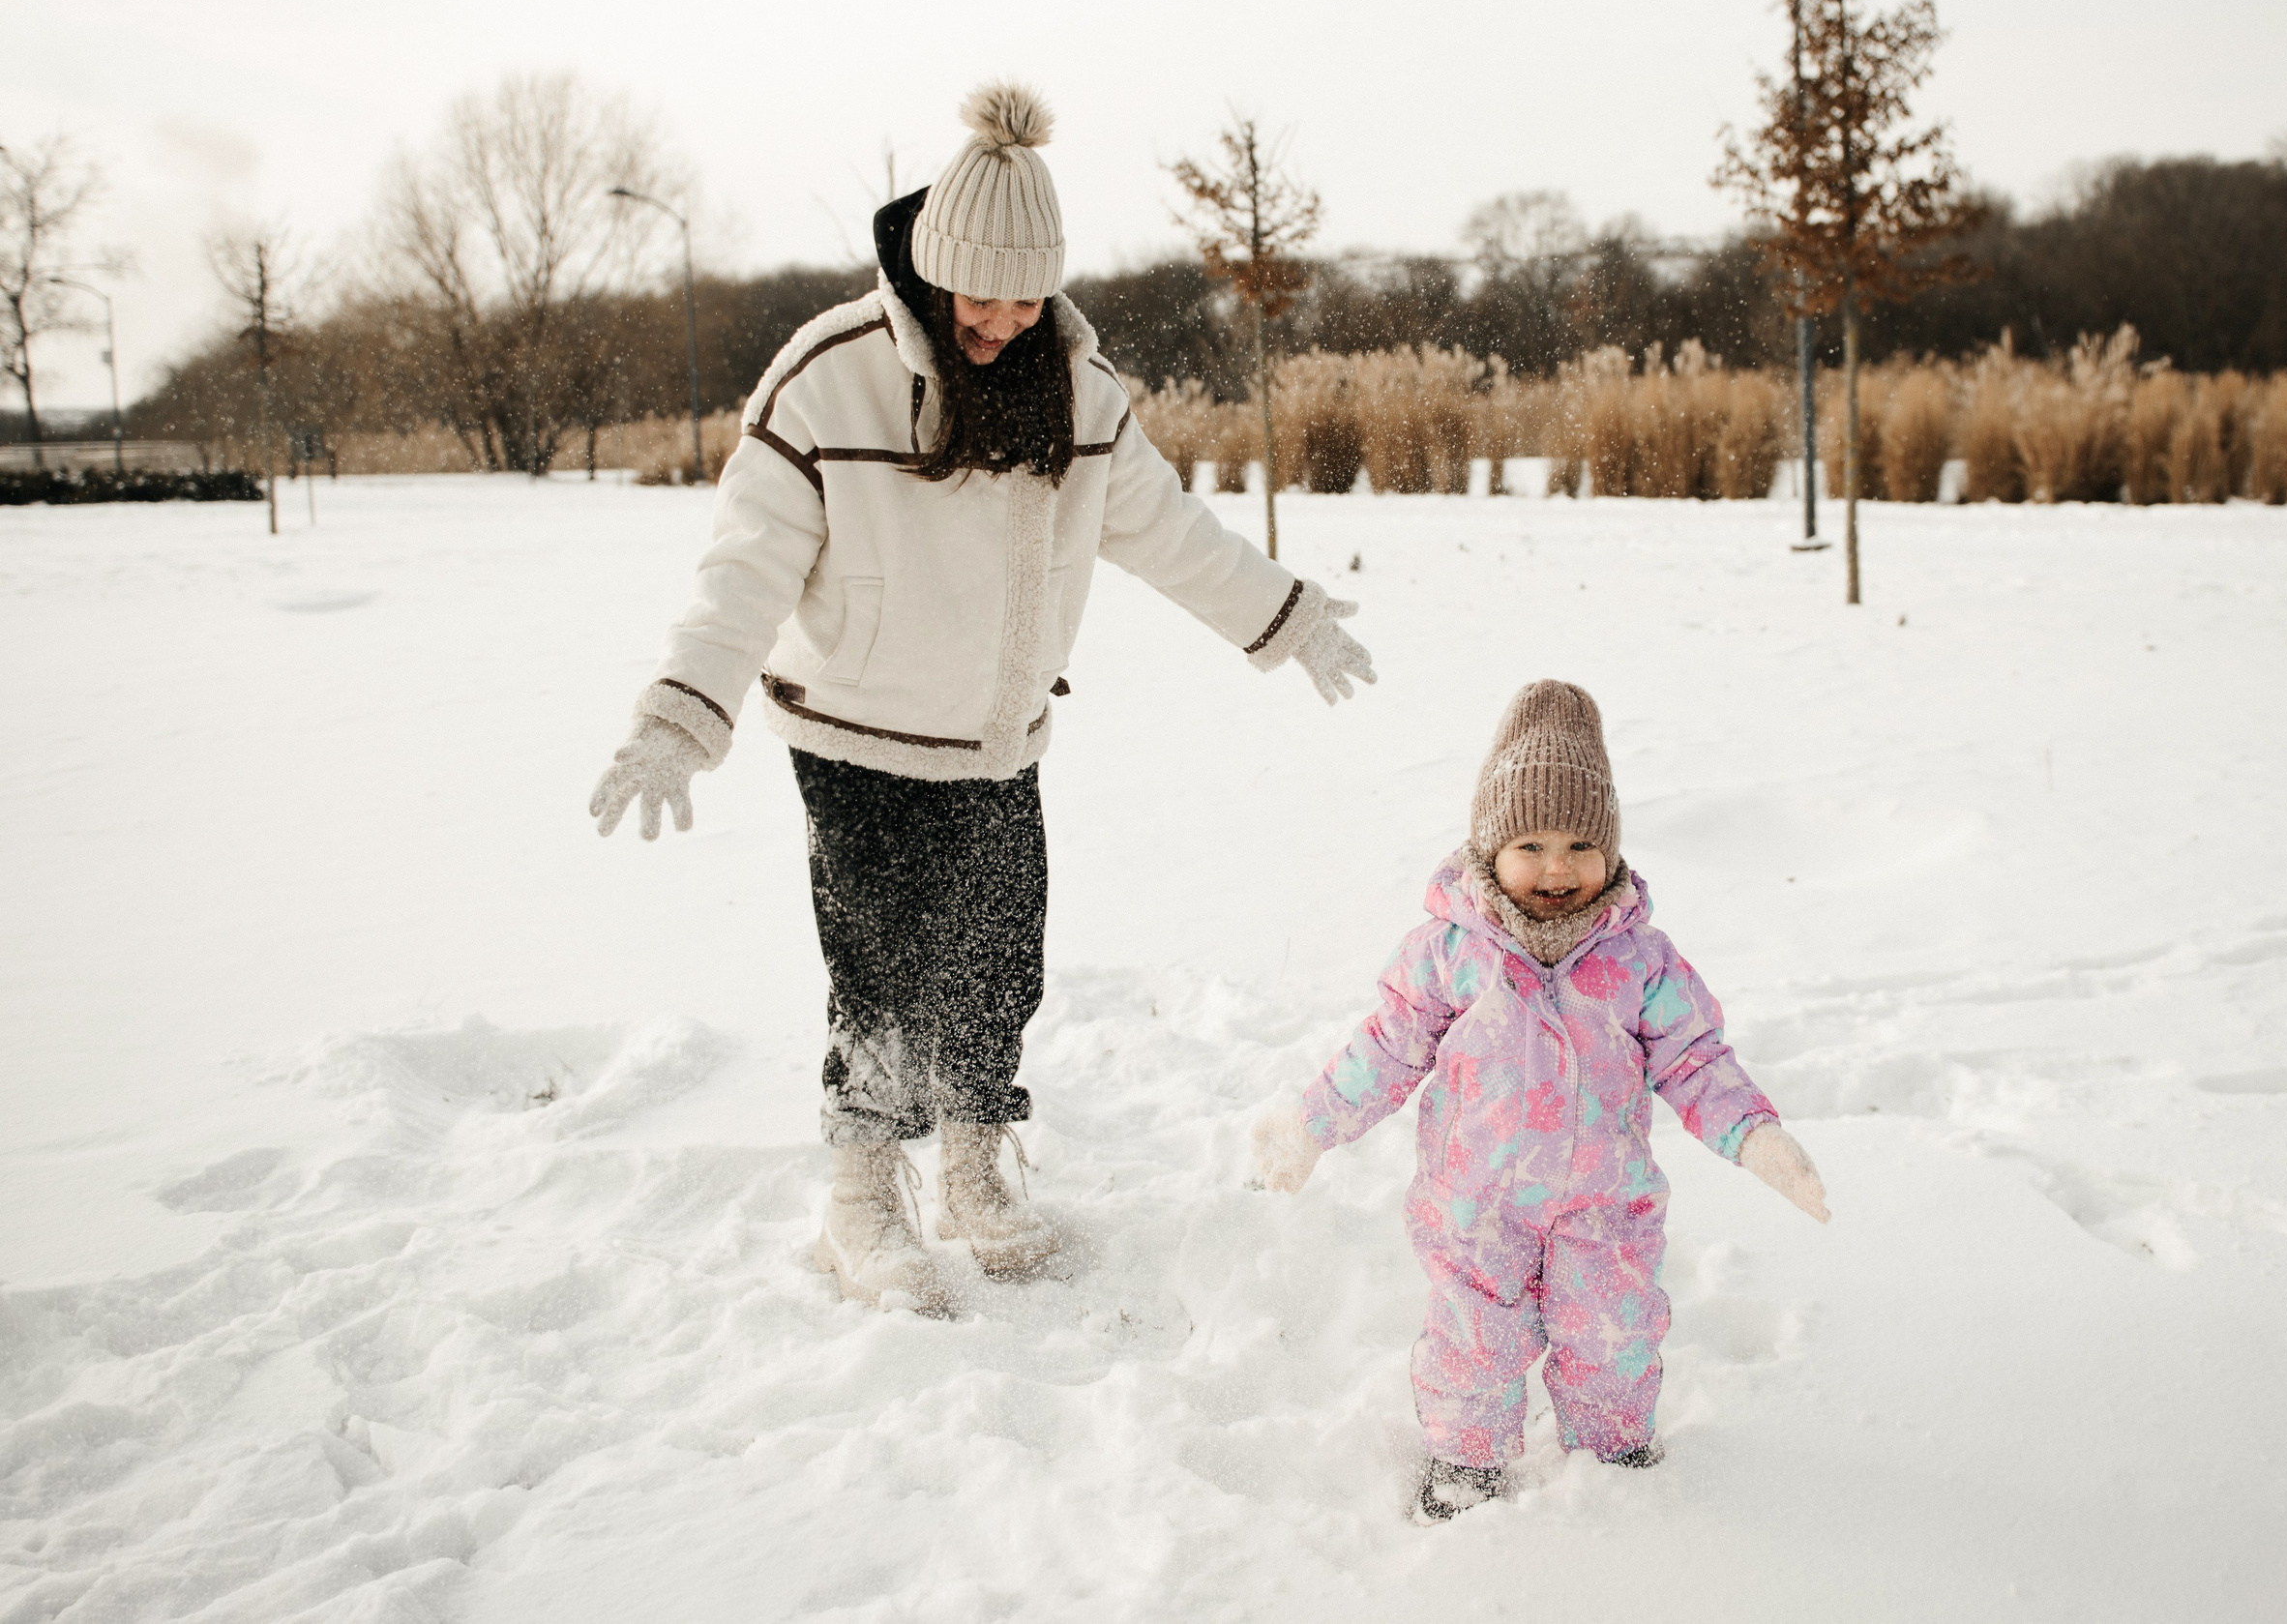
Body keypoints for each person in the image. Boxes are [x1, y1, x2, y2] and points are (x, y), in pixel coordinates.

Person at [590, 81, 1375, 1314]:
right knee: (881, 973)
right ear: (934, 264)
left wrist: (1282, 615)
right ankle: (860, 1197)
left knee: (998, 966)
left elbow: (1165, 529)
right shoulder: (827, 376)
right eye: (983, 294)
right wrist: (682, 713)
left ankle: (970, 1171)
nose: (1004, 320)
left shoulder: (1073, 383)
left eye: (1027, 295)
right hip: (854, 729)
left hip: (998, 737)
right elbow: (744, 565)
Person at [1250, 681, 1827, 1522]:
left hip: (1606, 1204)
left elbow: (1696, 1059)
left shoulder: (1641, 961)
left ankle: (1615, 1452)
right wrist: (1311, 1126)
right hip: (1475, 1205)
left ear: (1611, 851)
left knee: (1614, 1332)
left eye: (1578, 843)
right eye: (1530, 842)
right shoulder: (1448, 954)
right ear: (1490, 849)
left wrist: (1756, 1136)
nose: (1556, 865)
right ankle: (1466, 1462)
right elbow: (1386, 1048)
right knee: (1472, 1342)